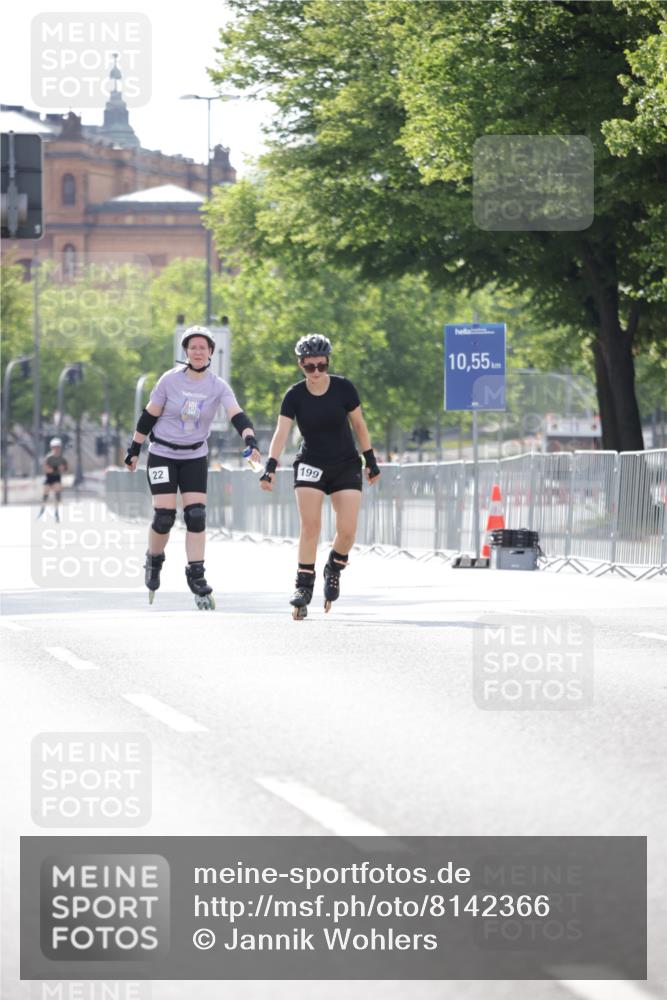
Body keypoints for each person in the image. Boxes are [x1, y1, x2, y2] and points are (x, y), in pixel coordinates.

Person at [124, 325, 260, 608]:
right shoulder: (169, 381)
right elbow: (148, 417)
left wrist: (251, 441)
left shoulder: (218, 386)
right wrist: (134, 449)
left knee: (196, 516)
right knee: (164, 517)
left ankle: (196, 575)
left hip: (195, 455)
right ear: (186, 351)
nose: (198, 352)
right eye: (193, 347)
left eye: (203, 347)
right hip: (162, 453)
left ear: (211, 352)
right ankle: (154, 559)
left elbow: (238, 415)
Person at [259, 333, 381, 618]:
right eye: (309, 367)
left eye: (321, 366)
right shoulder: (294, 395)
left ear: (327, 363)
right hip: (311, 463)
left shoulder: (344, 389)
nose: (315, 372)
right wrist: (270, 466)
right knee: (310, 526)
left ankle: (334, 566)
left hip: (345, 463)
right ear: (301, 365)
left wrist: (371, 460)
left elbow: (360, 426)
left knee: (348, 531)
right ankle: (303, 585)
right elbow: (282, 432)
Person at [37, 437, 68, 521]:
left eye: (58, 447)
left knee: (57, 492)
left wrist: (62, 469)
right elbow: (46, 469)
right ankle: (42, 511)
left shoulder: (62, 459)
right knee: (45, 494)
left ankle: (56, 512)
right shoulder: (49, 458)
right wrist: (57, 468)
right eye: (54, 447)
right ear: (51, 448)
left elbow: (65, 469)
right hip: (48, 477)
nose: (56, 449)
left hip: (56, 477)